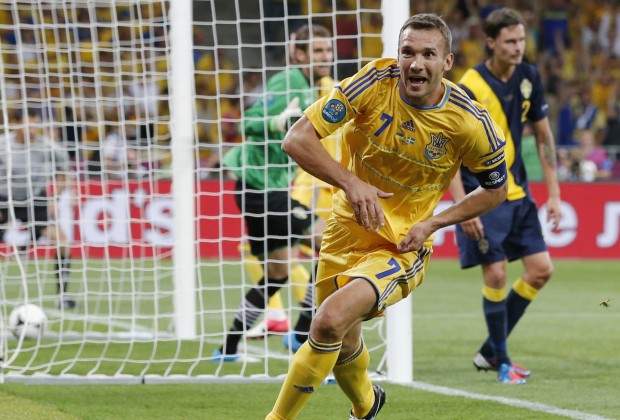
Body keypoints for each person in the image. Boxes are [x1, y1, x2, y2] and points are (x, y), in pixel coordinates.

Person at [266, 13, 508, 419]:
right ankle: (366, 404)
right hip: (345, 229)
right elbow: (297, 139)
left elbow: (496, 188)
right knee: (339, 338)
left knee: (326, 321)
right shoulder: (373, 83)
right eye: (408, 52)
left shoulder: (469, 120)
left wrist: (434, 222)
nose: (416, 63)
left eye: (428, 54)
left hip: (402, 244)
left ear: (446, 62)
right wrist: (350, 183)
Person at [449, 8, 562, 385]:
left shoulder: (529, 76)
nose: (519, 47)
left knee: (541, 269)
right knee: (496, 273)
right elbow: (449, 151)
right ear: (491, 43)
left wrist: (555, 195)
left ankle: (489, 350)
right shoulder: (468, 86)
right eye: (510, 41)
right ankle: (502, 362)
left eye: (522, 40)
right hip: (482, 195)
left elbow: (544, 137)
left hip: (519, 193)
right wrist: (463, 208)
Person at [212, 24, 334, 361]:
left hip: (264, 189)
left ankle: (227, 348)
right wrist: (277, 122)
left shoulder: (313, 88)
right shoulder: (289, 81)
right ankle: (301, 334)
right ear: (299, 54)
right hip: (261, 188)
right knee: (332, 245)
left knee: (277, 275)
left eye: (328, 51)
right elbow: (246, 121)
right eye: (318, 51)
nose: (325, 57)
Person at [0, 108, 75, 309]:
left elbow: (63, 173)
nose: (32, 128)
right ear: (16, 124)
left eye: (35, 123)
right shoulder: (3, 145)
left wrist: (55, 199)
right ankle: (25, 242)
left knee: (62, 241)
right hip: (4, 198)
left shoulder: (48, 147)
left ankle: (62, 296)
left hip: (35, 199)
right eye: (28, 123)